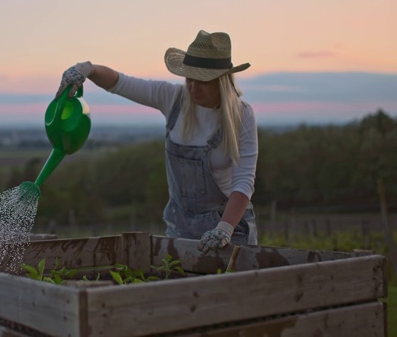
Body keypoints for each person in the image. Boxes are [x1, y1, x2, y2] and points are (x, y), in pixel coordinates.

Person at [56, 30, 258, 254]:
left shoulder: (242, 115)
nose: (193, 87)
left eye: (203, 81)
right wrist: (88, 69)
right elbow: (119, 82)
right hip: (180, 228)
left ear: (221, 81)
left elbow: (243, 183)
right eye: (189, 78)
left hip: (229, 230)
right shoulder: (172, 99)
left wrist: (224, 229)